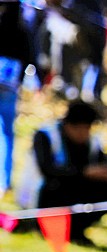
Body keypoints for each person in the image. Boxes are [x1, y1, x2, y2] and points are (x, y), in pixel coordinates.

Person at [19, 99, 107, 244]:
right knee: (56, 188)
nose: (83, 133)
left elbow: (102, 165)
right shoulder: (46, 135)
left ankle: (76, 230)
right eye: (80, 128)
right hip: (43, 194)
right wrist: (84, 172)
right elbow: (48, 170)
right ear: (69, 124)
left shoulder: (92, 141)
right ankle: (45, 226)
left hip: (75, 192)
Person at [0, 0, 31, 195]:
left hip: (10, 87)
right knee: (6, 134)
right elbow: (29, 58)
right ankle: (5, 180)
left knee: (6, 134)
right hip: (11, 87)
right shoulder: (22, 31)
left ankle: (5, 180)